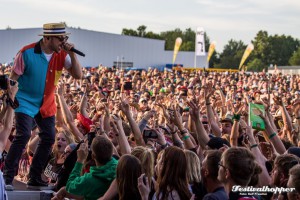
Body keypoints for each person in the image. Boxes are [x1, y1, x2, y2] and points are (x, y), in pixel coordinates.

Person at [3, 22, 82, 190]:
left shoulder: (62, 54)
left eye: (65, 38)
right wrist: (9, 101)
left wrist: (72, 55)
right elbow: (12, 79)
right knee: (23, 135)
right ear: (47, 38)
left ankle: (34, 177)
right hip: (25, 100)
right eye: (60, 38)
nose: (63, 41)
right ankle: (7, 177)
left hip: (47, 102)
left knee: (48, 136)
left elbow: (78, 75)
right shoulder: (26, 53)